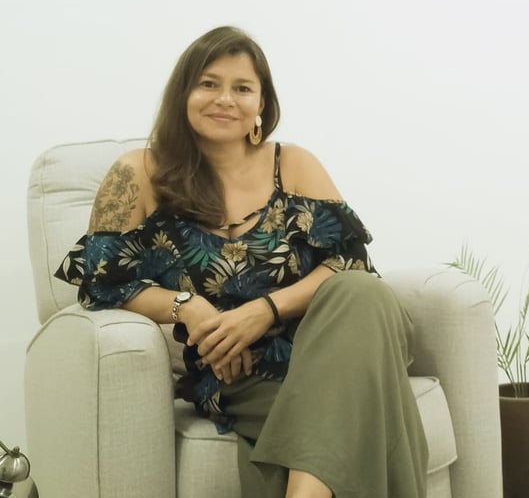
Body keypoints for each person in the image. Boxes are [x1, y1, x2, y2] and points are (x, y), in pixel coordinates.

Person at [55, 25, 428, 498]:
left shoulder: (293, 163)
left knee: (362, 291)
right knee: (361, 419)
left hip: (337, 344)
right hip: (241, 370)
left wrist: (264, 311)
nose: (224, 99)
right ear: (183, 93)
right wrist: (188, 307)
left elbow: (351, 263)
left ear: (262, 105)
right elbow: (101, 282)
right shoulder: (137, 173)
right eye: (209, 83)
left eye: (242, 88)